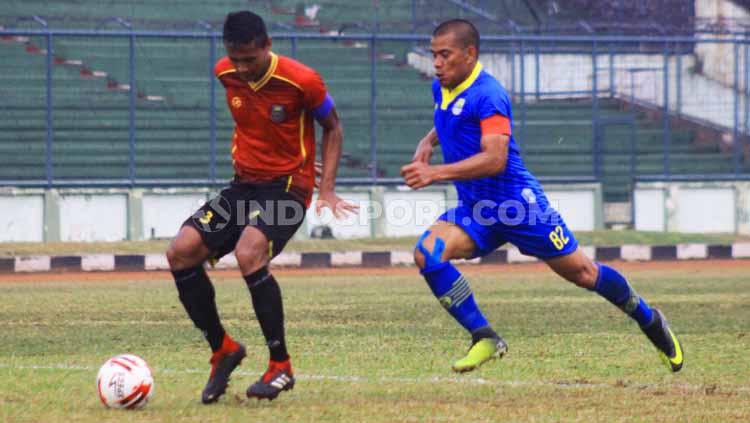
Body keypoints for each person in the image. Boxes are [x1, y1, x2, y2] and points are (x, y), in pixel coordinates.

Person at [401, 19, 683, 374]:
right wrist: (429, 141)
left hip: (520, 208)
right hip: (478, 210)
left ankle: (650, 320)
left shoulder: (489, 94)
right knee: (427, 252)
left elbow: (495, 158)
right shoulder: (443, 88)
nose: (437, 63)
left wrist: (435, 172)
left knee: (584, 273)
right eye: (434, 55)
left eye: (445, 55)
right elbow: (452, 119)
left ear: (470, 54)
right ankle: (484, 336)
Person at [166, 10, 356, 404]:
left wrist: (327, 188)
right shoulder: (225, 73)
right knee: (181, 251)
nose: (242, 68)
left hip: (289, 187)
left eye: (250, 59)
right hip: (244, 185)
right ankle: (223, 349)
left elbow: (333, 126)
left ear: (268, 45)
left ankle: (280, 365)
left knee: (249, 251)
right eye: (235, 58)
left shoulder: (303, 80)